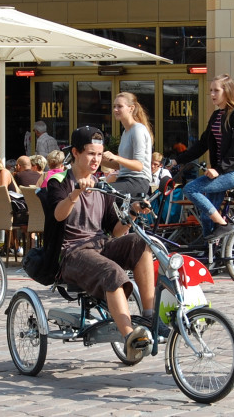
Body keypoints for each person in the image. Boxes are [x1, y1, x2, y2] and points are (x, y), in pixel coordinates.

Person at [47, 126, 164, 358]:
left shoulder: (102, 185)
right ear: (76, 153)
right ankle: (130, 336)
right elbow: (58, 215)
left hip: (100, 246)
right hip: (71, 253)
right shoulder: (58, 181)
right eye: (91, 154)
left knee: (140, 243)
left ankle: (150, 316)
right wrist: (75, 193)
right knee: (112, 271)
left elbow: (116, 231)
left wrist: (132, 213)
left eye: (100, 155)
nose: (96, 160)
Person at [171, 74, 234, 241]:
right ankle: (211, 254)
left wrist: (218, 169)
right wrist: (177, 160)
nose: (212, 94)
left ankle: (223, 225)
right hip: (222, 172)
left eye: (216, 90)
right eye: (210, 90)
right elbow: (202, 145)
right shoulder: (216, 116)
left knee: (191, 188)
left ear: (227, 91)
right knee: (208, 214)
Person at [102, 92, 154, 196]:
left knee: (101, 194)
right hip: (124, 180)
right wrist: (97, 160)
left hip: (138, 182)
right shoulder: (126, 132)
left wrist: (115, 157)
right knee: (96, 190)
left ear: (131, 108)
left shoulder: (138, 130)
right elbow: (122, 166)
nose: (115, 110)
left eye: (120, 106)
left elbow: (139, 166)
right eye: (114, 106)